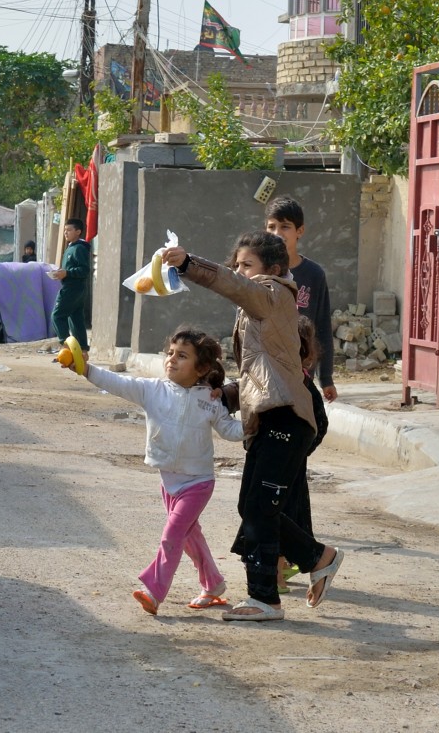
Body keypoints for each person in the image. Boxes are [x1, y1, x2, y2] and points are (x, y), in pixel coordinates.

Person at [161, 232, 344, 621]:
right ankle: (316, 558)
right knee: (253, 506)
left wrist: (188, 263)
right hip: (272, 416)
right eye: (238, 265)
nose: (240, 272)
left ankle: (267, 599)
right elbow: (263, 375)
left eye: (248, 265)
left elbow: (233, 286)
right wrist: (225, 394)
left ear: (274, 271)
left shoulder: (273, 293)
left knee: (261, 507)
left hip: (287, 419)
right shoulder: (261, 312)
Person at [61, 326, 243, 615]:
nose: (171, 359)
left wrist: (255, 424)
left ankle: (154, 591)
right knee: (189, 537)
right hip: (168, 482)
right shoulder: (151, 390)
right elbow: (115, 382)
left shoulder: (209, 399)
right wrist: (83, 368)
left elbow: (231, 430)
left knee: (172, 535)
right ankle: (213, 584)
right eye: (170, 353)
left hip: (198, 483)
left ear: (203, 367)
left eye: (182, 355)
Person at [264, 196, 337, 403]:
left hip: (301, 372)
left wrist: (326, 377)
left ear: (300, 231)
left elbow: (322, 326)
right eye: (272, 227)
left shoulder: (314, 274)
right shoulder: (260, 271)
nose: (277, 233)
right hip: (266, 369)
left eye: (285, 226)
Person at [278, 315, 330, 594]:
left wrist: (298, 450)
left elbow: (319, 425)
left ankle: (277, 576)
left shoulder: (302, 387)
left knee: (275, 514)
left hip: (289, 466)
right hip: (283, 462)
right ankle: (282, 567)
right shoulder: (276, 381)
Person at [50, 219, 91, 353]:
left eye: (69, 230)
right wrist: (61, 273)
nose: (65, 233)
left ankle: (67, 347)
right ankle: (82, 350)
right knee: (76, 319)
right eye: (65, 230)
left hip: (73, 288)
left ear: (78, 232)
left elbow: (84, 270)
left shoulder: (79, 248)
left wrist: (67, 273)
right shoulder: (70, 247)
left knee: (57, 316)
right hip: (74, 288)